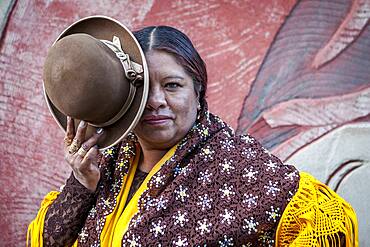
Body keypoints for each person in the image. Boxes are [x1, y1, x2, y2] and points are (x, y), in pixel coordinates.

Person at [28, 17, 358, 247]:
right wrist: (81, 184)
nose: (156, 102)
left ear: (197, 92)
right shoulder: (108, 162)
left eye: (172, 86)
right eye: (143, 88)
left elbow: (328, 223)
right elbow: (48, 241)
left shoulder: (237, 167)